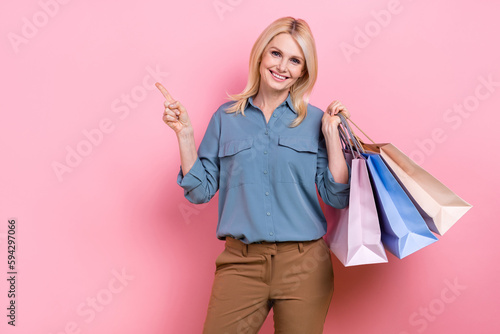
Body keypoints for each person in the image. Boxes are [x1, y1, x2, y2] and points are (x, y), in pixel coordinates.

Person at [157, 16, 351, 334]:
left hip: (304, 264)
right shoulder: (225, 118)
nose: (282, 66)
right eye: (276, 53)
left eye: (295, 60)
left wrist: (331, 137)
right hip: (241, 263)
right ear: (261, 55)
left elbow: (336, 196)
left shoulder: (315, 120)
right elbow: (200, 191)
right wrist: (185, 135)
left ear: (304, 70)